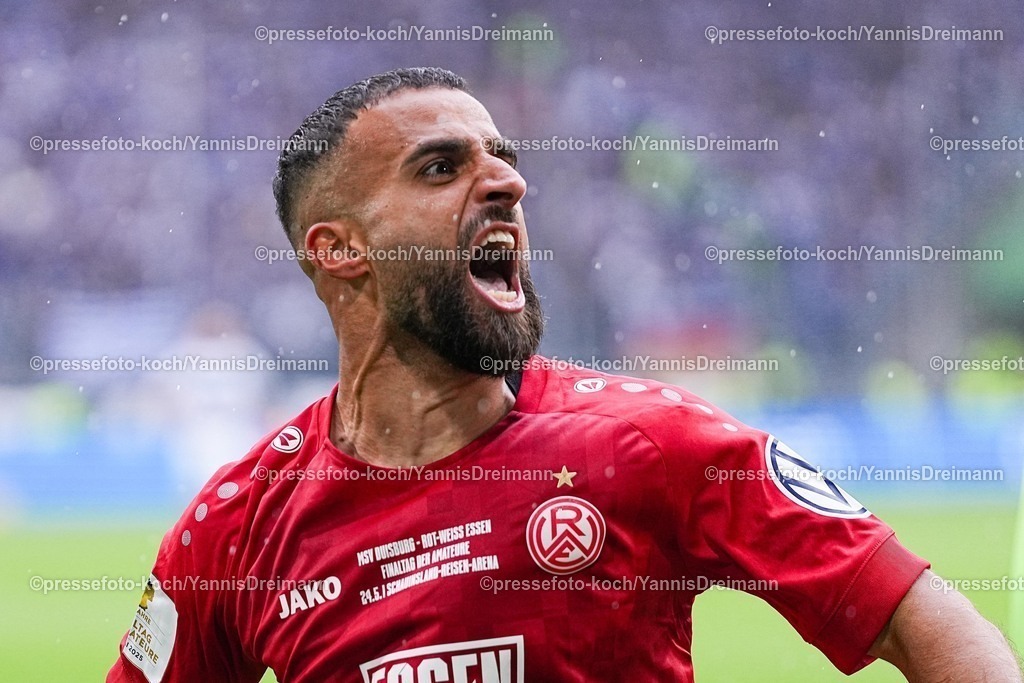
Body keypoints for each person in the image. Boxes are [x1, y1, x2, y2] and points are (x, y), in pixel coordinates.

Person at [107, 67, 1022, 682]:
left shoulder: (651, 442)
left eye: (502, 159)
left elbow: (920, 615)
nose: (505, 183)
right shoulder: (236, 526)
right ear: (340, 250)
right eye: (441, 167)